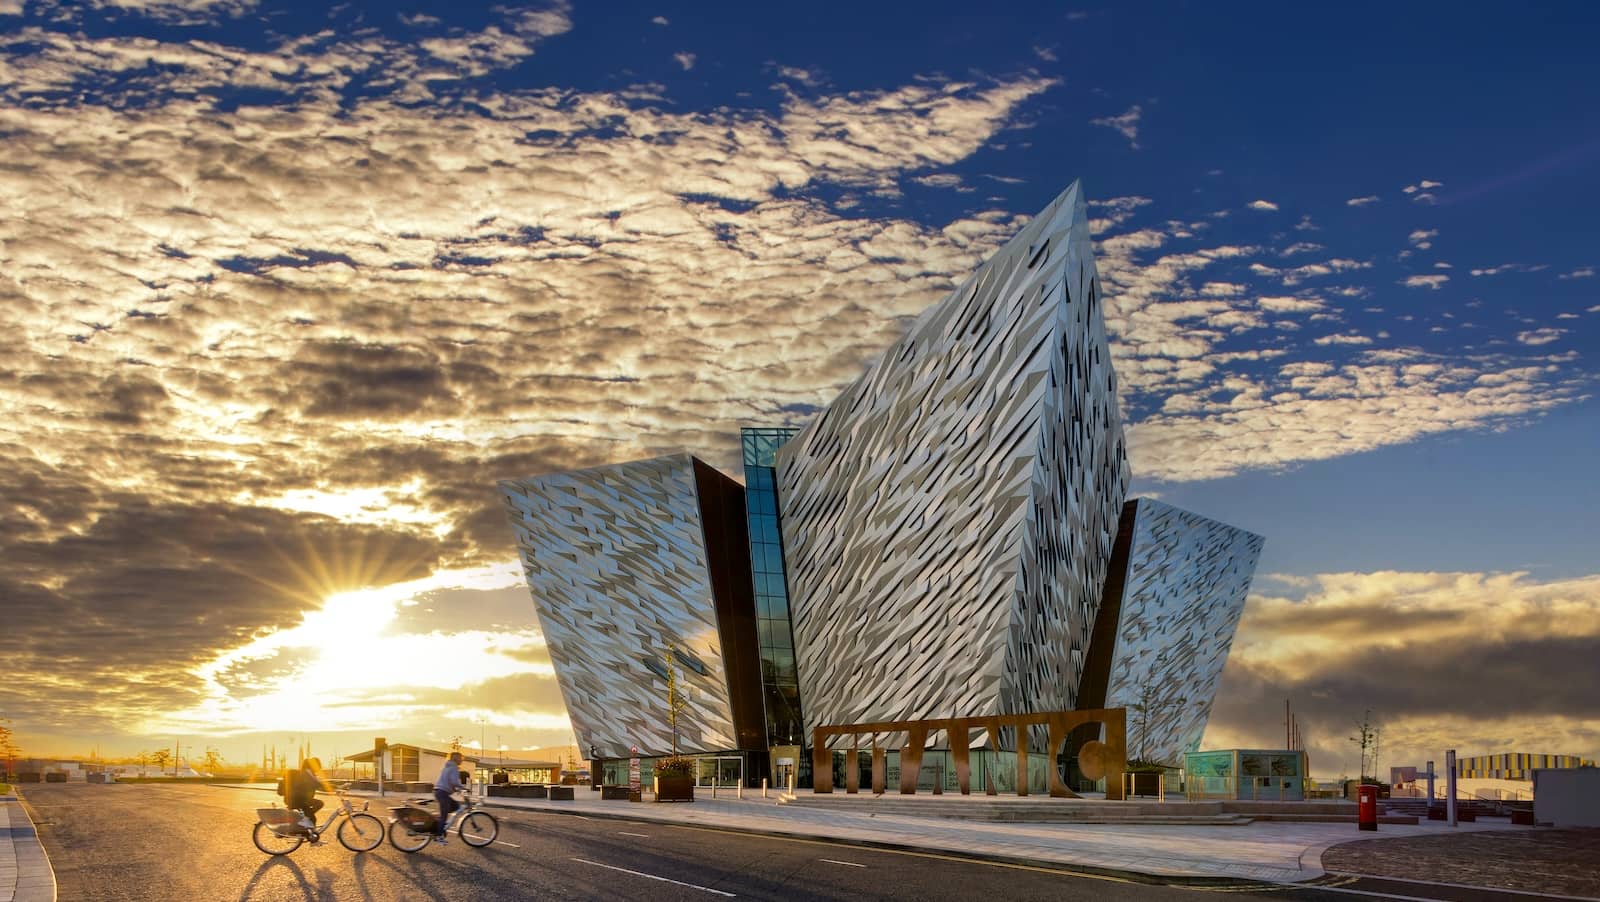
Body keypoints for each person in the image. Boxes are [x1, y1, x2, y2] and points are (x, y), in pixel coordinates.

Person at [284, 757, 332, 831]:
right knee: (312, 818)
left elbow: (320, 783)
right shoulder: (305, 774)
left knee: (318, 805)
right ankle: (307, 830)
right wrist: (331, 789)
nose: (319, 768)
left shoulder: (309, 774)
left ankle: (304, 820)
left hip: (302, 800)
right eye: (318, 766)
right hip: (298, 800)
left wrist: (337, 787)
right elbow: (317, 784)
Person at [432, 751, 468, 844]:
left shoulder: (447, 766)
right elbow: (454, 781)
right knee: (445, 815)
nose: (462, 760)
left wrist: (455, 789)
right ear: (456, 758)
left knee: (456, 806)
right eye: (460, 758)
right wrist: (464, 788)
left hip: (438, 791)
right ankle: (439, 836)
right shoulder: (454, 767)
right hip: (443, 793)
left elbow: (448, 781)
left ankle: (439, 824)